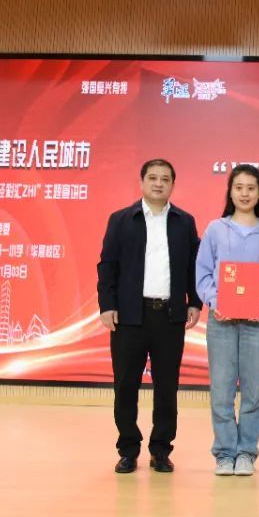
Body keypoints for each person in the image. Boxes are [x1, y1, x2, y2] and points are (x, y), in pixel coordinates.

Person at [97, 159, 201, 475]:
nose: (158, 183)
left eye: (165, 179)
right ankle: (128, 450)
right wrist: (107, 305)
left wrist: (195, 302)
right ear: (141, 182)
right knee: (125, 385)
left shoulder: (184, 222)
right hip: (129, 316)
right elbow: (107, 266)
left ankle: (161, 450)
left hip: (169, 316)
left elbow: (193, 266)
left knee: (167, 387)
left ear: (172, 185)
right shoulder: (121, 220)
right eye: (153, 178)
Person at [195, 164, 259, 477]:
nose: (245, 194)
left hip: (257, 323)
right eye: (239, 187)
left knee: (253, 392)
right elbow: (203, 274)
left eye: (251, 188)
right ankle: (224, 453)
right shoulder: (216, 229)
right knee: (222, 391)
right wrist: (216, 303)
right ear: (230, 192)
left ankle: (246, 453)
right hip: (221, 322)